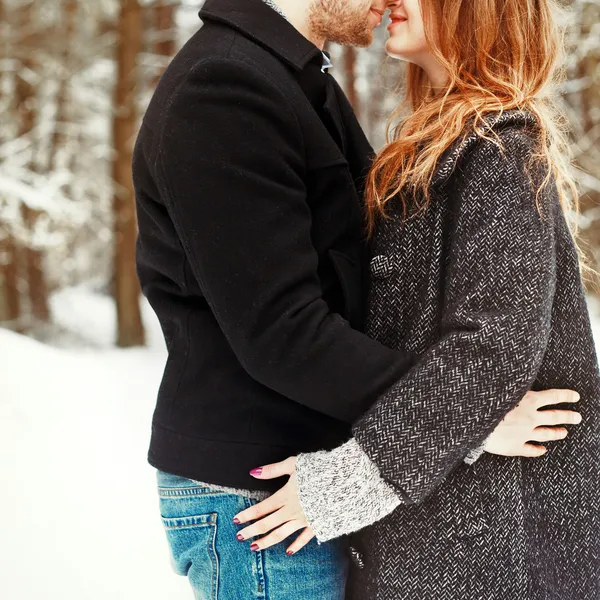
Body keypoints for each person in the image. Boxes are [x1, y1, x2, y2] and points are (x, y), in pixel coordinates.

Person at [132, 0, 582, 598]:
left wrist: (431, 434)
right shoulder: (230, 83)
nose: (391, 0)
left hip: (330, 488)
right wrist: (470, 421)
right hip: (260, 486)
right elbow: (283, 328)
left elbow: (484, 341)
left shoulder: (307, 82)